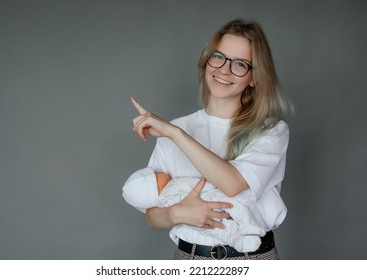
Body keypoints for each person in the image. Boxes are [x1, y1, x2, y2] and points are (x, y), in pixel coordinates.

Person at [123, 18, 294, 260]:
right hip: (189, 258)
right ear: (206, 62)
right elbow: (152, 215)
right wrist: (177, 214)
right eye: (219, 57)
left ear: (254, 78)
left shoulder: (271, 130)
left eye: (240, 64)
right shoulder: (176, 128)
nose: (224, 70)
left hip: (252, 259)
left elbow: (233, 184)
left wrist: (175, 134)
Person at [123, 168, 266, 252]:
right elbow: (201, 184)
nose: (158, 171)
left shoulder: (164, 201)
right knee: (235, 210)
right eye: (155, 176)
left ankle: (241, 237)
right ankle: (247, 228)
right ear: (153, 189)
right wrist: (212, 185)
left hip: (204, 228)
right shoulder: (173, 186)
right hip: (195, 248)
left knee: (224, 229)